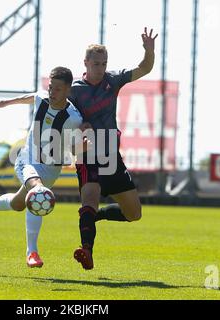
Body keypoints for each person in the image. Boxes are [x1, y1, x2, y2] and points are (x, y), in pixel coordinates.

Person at [0, 66, 84, 268]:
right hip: (27, 159)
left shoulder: (74, 119)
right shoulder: (43, 98)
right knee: (38, 192)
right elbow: (30, 97)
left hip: (51, 169)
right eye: (51, 87)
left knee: (18, 204)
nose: (52, 92)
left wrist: (81, 146)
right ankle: (32, 252)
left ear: (68, 90)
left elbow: (74, 148)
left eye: (58, 89)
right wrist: (4, 103)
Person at [69, 27, 158, 270]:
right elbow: (64, 120)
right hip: (86, 155)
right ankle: (86, 249)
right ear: (85, 63)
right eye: (96, 63)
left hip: (111, 157)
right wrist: (79, 127)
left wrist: (148, 51)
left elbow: (145, 68)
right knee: (90, 197)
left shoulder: (113, 80)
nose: (100, 68)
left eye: (104, 63)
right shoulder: (73, 90)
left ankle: (96, 217)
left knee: (134, 214)